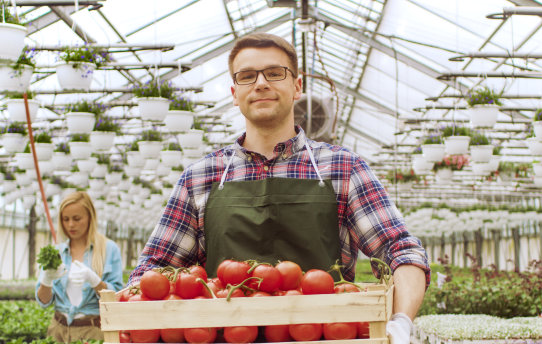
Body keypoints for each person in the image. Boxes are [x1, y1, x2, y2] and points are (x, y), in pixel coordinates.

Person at [129, 33, 429, 343]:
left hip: (325, 337)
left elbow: (402, 250)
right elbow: (154, 269)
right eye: (247, 76)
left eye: (275, 73)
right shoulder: (200, 176)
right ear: (234, 93)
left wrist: (400, 321)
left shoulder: (343, 168)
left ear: (297, 86)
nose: (260, 83)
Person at [36, 191, 123, 343]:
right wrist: (46, 280)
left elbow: (117, 297)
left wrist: (95, 281)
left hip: (92, 332)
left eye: (77, 219)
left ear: (90, 217)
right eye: (65, 219)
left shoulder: (109, 249)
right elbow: (43, 301)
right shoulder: (56, 252)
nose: (70, 224)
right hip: (58, 331)